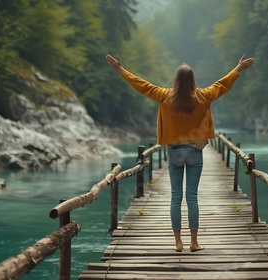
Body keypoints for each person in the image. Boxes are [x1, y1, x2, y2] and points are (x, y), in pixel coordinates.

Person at [106, 53, 255, 252]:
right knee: (191, 197)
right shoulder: (203, 95)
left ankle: (178, 243)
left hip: (175, 152)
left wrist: (120, 70)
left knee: (176, 197)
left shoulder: (164, 95)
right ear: (192, 80)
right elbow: (222, 84)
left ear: (176, 79)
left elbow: (141, 85)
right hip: (195, 152)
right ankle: (194, 242)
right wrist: (238, 69)